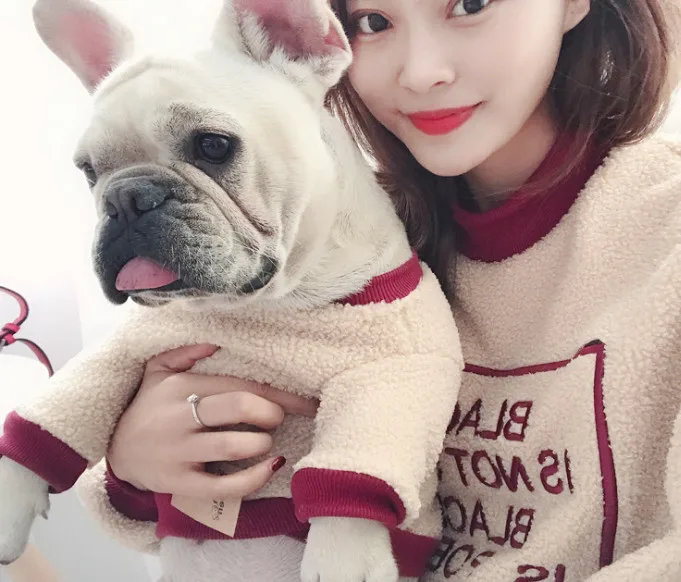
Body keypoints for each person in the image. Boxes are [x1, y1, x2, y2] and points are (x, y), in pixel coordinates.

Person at [79, 0, 681, 580]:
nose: (421, 71)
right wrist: (133, 467)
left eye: (472, 4)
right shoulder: (325, 235)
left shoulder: (663, 229)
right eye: (373, 21)